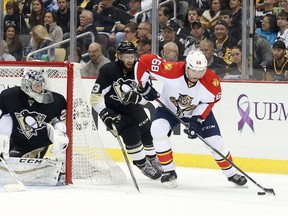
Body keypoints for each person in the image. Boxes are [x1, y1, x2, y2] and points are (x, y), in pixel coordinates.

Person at [134, 50, 247, 188]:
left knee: (215, 141)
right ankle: (169, 171)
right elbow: (144, 60)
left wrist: (196, 120)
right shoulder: (172, 71)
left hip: (196, 111)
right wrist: (142, 86)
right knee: (157, 129)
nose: (196, 75)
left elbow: (208, 102)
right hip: (169, 110)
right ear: (187, 66)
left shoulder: (212, 82)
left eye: (200, 72)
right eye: (193, 71)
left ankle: (232, 173)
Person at [90, 41, 162, 180]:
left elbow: (146, 98)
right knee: (132, 135)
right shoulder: (108, 70)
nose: (130, 60)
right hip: (114, 111)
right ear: (119, 56)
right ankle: (142, 164)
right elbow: (95, 96)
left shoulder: (141, 70)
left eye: (132, 56)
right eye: (126, 56)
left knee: (148, 131)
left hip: (133, 108)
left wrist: (138, 98)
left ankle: (153, 159)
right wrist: (104, 112)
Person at [0, 69, 68, 185]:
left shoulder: (56, 100)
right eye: (37, 85)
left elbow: (59, 120)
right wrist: (3, 136)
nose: (41, 88)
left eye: (42, 84)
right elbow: (6, 116)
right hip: (17, 141)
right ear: (27, 86)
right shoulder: (9, 96)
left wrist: (59, 133)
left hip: (38, 144)